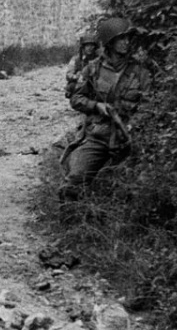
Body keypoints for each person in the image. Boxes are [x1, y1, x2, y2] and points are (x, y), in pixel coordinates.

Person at [59, 18, 150, 202]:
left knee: (136, 189)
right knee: (73, 182)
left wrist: (134, 125)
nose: (126, 42)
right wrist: (97, 106)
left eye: (128, 38)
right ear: (110, 42)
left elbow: (149, 106)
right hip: (98, 137)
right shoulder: (93, 70)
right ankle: (72, 223)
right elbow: (76, 99)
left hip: (128, 140)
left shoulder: (141, 72)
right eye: (121, 38)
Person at [65, 32, 99, 98]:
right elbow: (68, 75)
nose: (90, 48)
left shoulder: (99, 59)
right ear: (83, 47)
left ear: (95, 47)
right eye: (87, 46)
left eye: (92, 45)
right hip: (82, 83)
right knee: (71, 86)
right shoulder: (76, 59)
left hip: (96, 83)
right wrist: (76, 77)